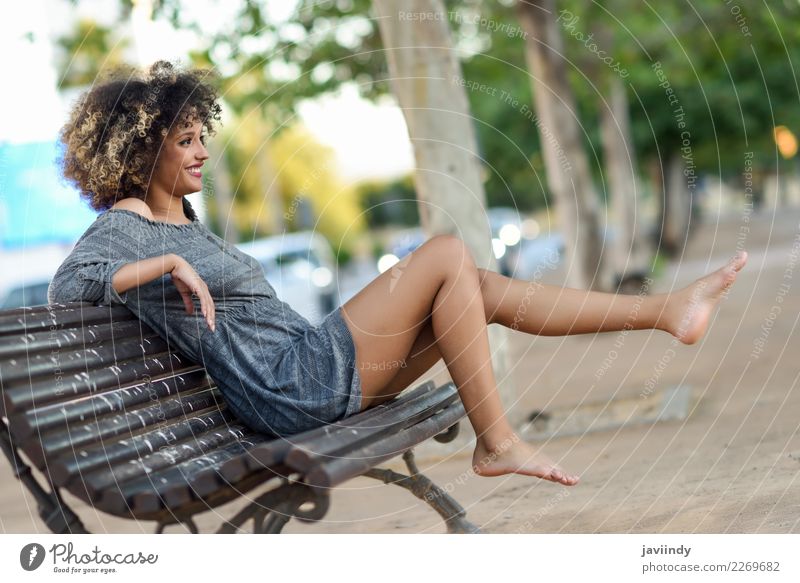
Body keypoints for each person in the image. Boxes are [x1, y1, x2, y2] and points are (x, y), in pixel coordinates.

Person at [49, 60, 748, 488]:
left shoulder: (184, 218)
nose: (202, 150)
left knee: (472, 282)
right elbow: (68, 285)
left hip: (301, 371)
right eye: (185, 139)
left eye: (204, 134)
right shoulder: (130, 221)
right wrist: (164, 262)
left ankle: (665, 311)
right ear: (142, 146)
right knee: (443, 253)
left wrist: (177, 251)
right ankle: (498, 443)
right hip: (291, 385)